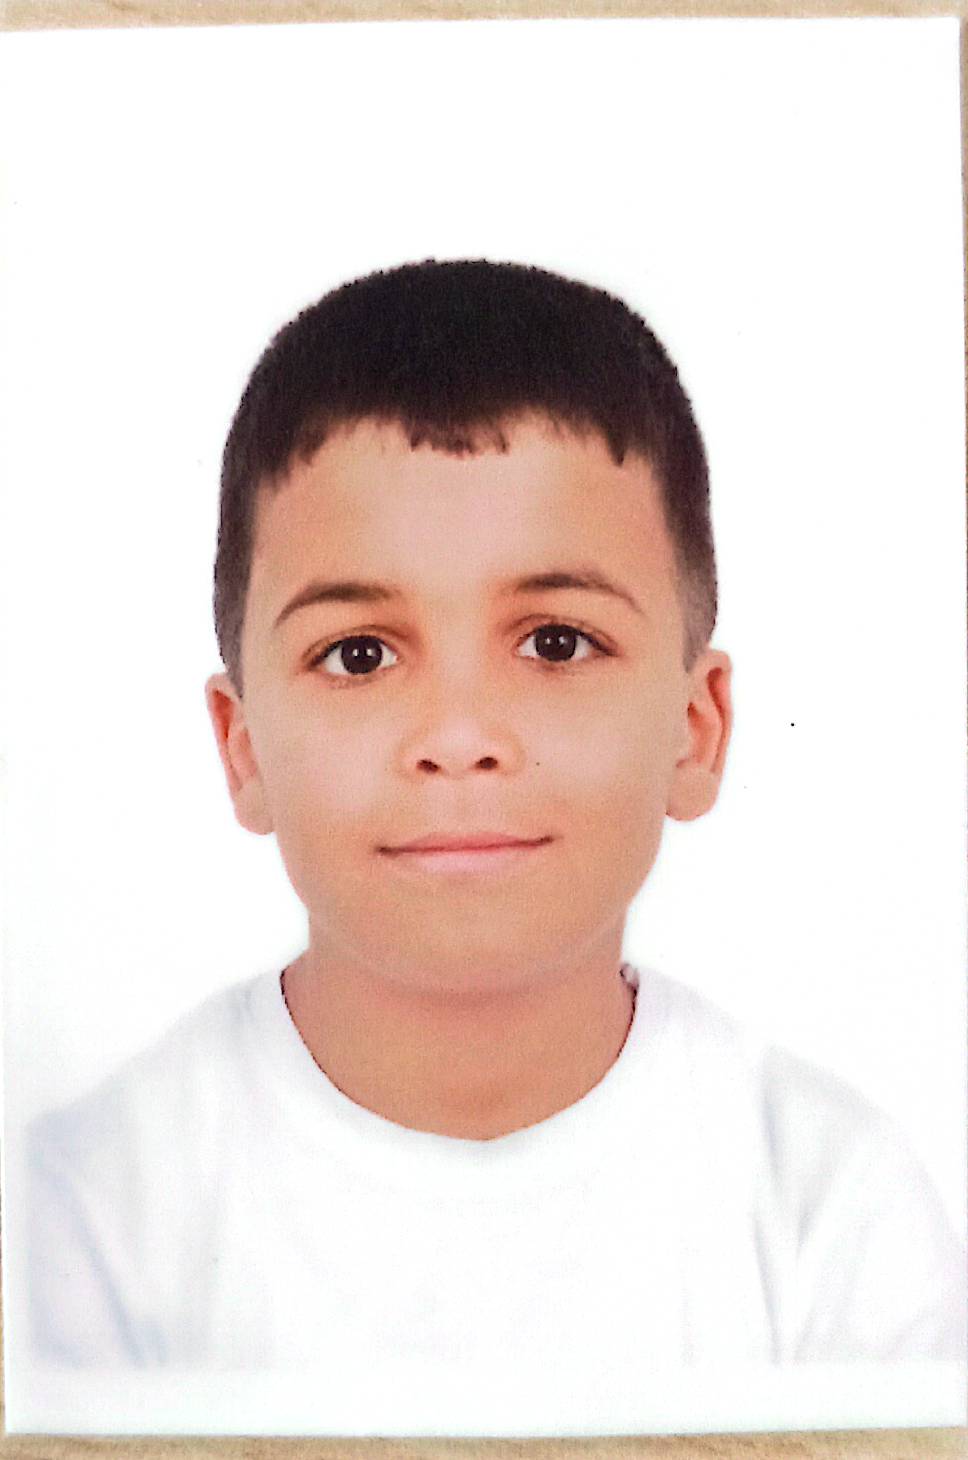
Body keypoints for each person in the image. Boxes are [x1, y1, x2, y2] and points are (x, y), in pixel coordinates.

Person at [25, 260, 964, 1416]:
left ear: (695, 727)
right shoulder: (85, 1219)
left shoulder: (832, 1217)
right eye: (359, 653)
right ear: (243, 745)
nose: (459, 737)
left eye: (556, 642)